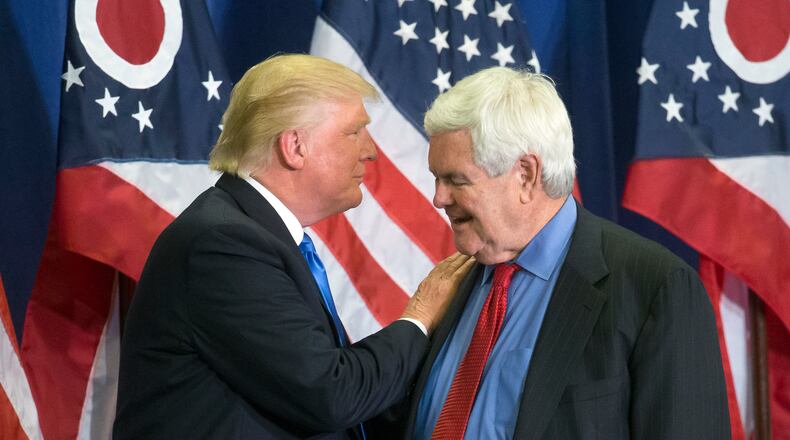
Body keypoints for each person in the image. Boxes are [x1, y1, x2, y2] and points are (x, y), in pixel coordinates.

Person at [112, 54, 474, 439]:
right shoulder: (223, 245)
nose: (370, 151)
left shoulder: (260, 237)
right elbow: (331, 394)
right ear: (295, 146)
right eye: (355, 132)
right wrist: (421, 315)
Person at [399, 67, 730, 439]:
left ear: (525, 174)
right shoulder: (453, 284)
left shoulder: (654, 287)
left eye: (456, 180)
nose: (438, 198)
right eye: (436, 178)